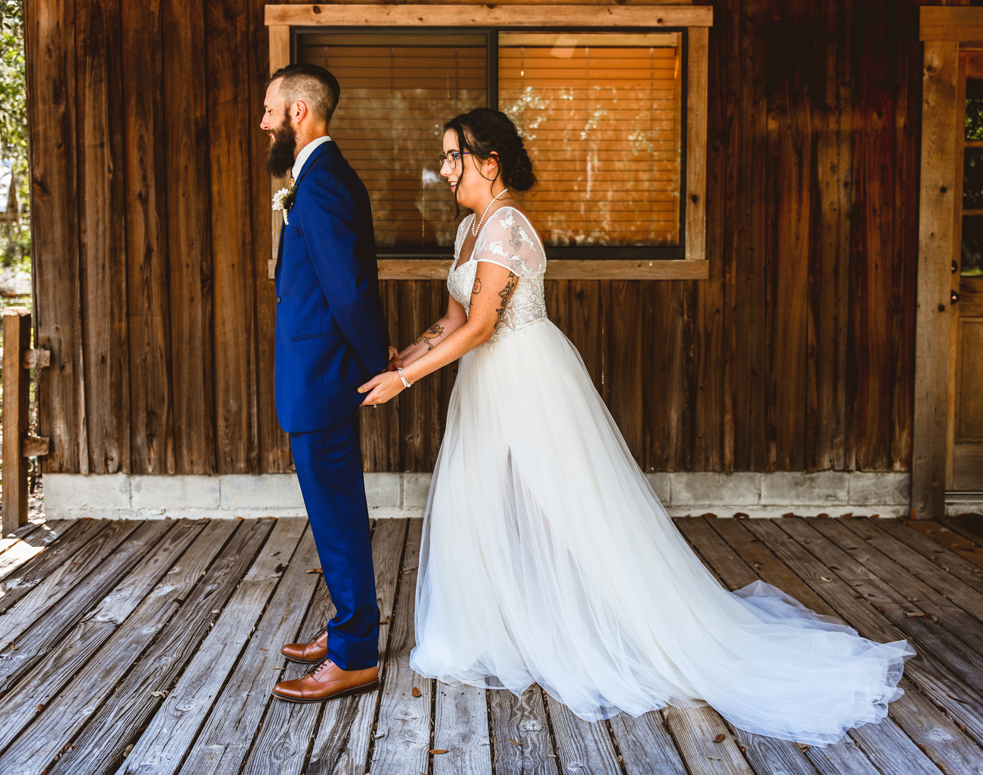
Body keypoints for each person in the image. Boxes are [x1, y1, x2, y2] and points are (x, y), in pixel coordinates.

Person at [357, 107, 914, 745]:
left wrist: (408, 380)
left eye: (455, 156)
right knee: (476, 501)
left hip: (528, 377)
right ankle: (493, 627)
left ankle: (595, 624)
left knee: (562, 507)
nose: (444, 167)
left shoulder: (507, 224)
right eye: (445, 155)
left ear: (489, 163)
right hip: (485, 383)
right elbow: (454, 321)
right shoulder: (469, 228)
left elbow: (485, 326)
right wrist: (404, 352)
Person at [261, 63, 391, 703]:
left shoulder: (322, 184)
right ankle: (349, 628)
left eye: (270, 110)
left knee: (338, 517)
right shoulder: (312, 179)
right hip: (314, 372)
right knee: (332, 513)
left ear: (299, 114)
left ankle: (355, 654)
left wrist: (379, 364)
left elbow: (350, 290)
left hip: (324, 377)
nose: (263, 123)